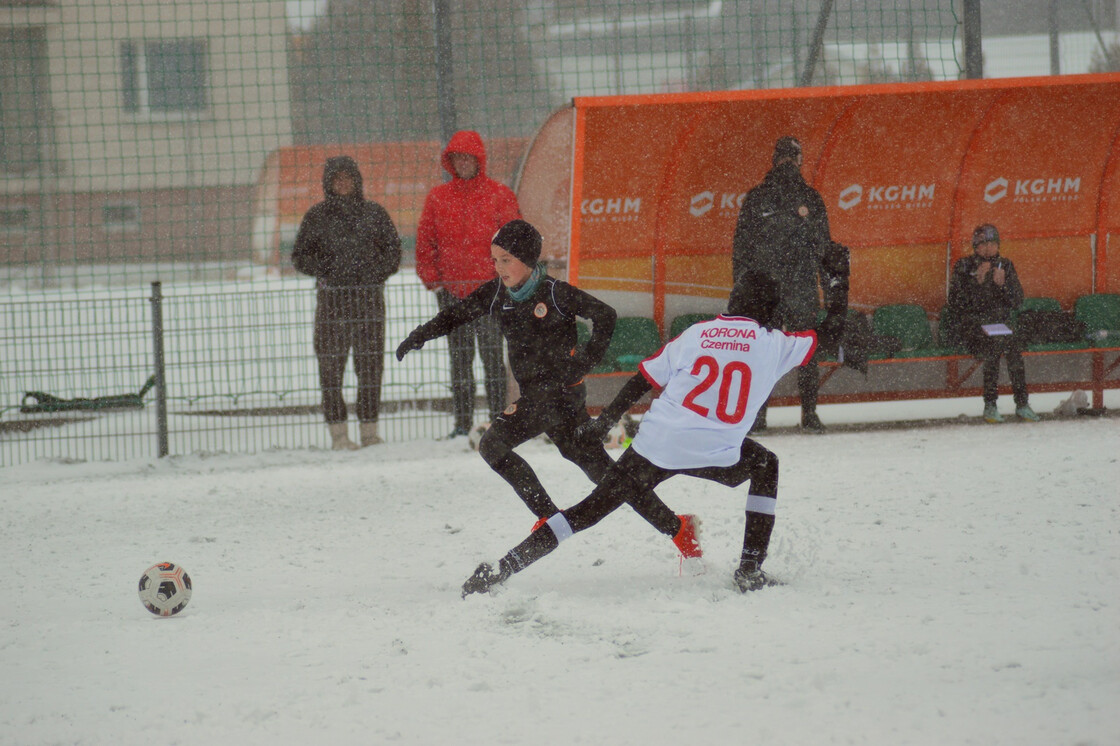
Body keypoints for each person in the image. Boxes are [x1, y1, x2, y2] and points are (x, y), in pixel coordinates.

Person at [461, 270, 839, 598]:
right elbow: (825, 334)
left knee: (585, 512)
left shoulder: (696, 334)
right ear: (770, 310)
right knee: (765, 465)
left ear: (732, 299)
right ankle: (750, 569)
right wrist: (837, 291)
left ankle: (503, 568)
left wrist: (606, 420)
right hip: (718, 451)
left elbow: (643, 378)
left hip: (658, 445)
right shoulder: (777, 343)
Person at [397, 220, 698, 555]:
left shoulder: (554, 293)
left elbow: (606, 315)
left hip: (558, 396)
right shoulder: (498, 293)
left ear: (527, 259)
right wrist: (419, 335)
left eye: (506, 260)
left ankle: (548, 516)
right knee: (603, 474)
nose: (499, 268)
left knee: (492, 445)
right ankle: (678, 528)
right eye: (495, 260)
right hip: (545, 399)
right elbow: (457, 314)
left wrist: (585, 361)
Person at [415, 130, 522, 437]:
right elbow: (426, 242)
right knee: (460, 360)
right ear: (451, 162)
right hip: (452, 293)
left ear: (479, 161)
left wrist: (507, 279)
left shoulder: (499, 195)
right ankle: (462, 425)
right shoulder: (438, 198)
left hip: (490, 292)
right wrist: (433, 280)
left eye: (467, 157)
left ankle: (498, 422)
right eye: (457, 158)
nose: (462, 163)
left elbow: (514, 239)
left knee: (491, 357)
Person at [732, 135, 841, 434]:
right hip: (800, 288)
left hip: (766, 292)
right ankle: (809, 414)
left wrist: (741, 290)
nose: (789, 164)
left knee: (763, 353)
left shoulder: (756, 197)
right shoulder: (809, 198)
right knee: (806, 351)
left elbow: (741, 249)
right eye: (791, 158)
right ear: (798, 160)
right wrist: (829, 291)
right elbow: (824, 248)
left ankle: (758, 416)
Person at [292, 155, 402, 450]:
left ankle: (369, 431)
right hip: (332, 303)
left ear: (357, 181)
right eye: (336, 179)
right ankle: (338, 434)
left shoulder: (375, 214)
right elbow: (300, 257)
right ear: (328, 183)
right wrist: (327, 269)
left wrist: (374, 273)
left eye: (347, 178)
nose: (343, 184)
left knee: (370, 366)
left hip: (369, 302)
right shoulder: (316, 217)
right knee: (330, 368)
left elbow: (393, 253)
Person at [946, 224, 1039, 423]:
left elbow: (1017, 301)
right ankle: (990, 404)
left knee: (1013, 347)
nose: (988, 248)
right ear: (975, 246)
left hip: (1000, 325)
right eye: (984, 244)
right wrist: (976, 282)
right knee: (994, 347)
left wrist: (1003, 285)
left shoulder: (1005, 265)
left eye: (993, 244)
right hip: (973, 327)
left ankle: (1022, 404)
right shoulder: (964, 266)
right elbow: (956, 303)